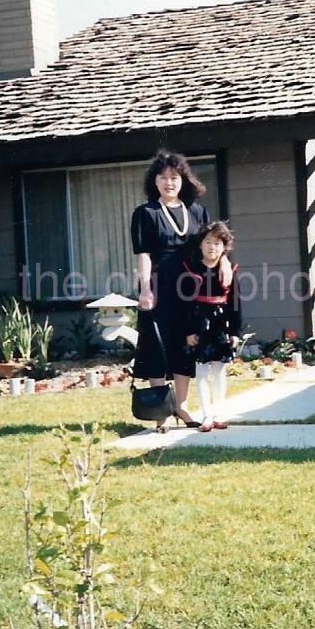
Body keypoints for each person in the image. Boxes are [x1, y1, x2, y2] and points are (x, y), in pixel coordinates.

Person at [130, 150, 232, 433]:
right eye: (162, 177)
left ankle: (181, 405)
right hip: (160, 287)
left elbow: (216, 241)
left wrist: (223, 261)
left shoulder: (197, 211)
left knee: (186, 345)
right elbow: (143, 255)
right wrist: (146, 289)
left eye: (174, 177)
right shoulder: (146, 213)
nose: (168, 182)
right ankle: (161, 410)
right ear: (155, 181)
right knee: (157, 346)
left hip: (192, 288)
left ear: (183, 180)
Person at [179, 222, 242, 432]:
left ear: (224, 247)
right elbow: (186, 303)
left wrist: (235, 332)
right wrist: (188, 330)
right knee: (202, 371)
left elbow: (235, 302)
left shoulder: (229, 270)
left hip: (221, 324)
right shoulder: (190, 269)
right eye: (207, 242)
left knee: (219, 371)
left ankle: (218, 413)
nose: (212, 247)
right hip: (199, 323)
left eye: (217, 243)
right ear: (200, 245)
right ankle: (206, 415)